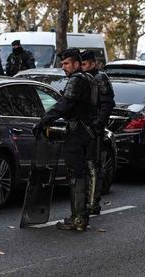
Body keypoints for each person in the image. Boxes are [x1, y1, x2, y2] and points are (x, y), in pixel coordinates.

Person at [33, 49, 96, 232]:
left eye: (66, 64)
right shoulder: (90, 79)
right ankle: (80, 216)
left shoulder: (77, 79)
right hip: (86, 132)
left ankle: (78, 218)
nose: (63, 67)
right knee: (80, 174)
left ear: (76, 64)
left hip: (77, 133)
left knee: (75, 175)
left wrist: (45, 120)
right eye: (62, 64)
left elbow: (65, 104)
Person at [80, 50, 114, 213]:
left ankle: (93, 203)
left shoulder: (100, 78)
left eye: (85, 64)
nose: (83, 67)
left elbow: (107, 103)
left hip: (94, 128)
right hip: (83, 127)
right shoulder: (81, 78)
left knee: (93, 165)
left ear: (93, 63)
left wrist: (98, 124)